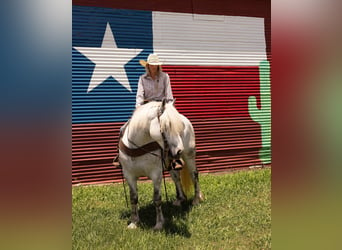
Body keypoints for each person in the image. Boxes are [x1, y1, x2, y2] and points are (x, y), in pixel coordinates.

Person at [113, 53, 183, 170]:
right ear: (148, 65)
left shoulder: (165, 77)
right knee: (123, 128)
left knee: (173, 129)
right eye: (151, 65)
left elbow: (169, 97)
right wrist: (138, 110)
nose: (153, 67)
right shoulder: (142, 78)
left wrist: (169, 108)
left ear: (158, 66)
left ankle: (176, 158)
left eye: (155, 65)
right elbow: (139, 97)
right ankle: (121, 157)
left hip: (162, 108)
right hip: (147, 109)